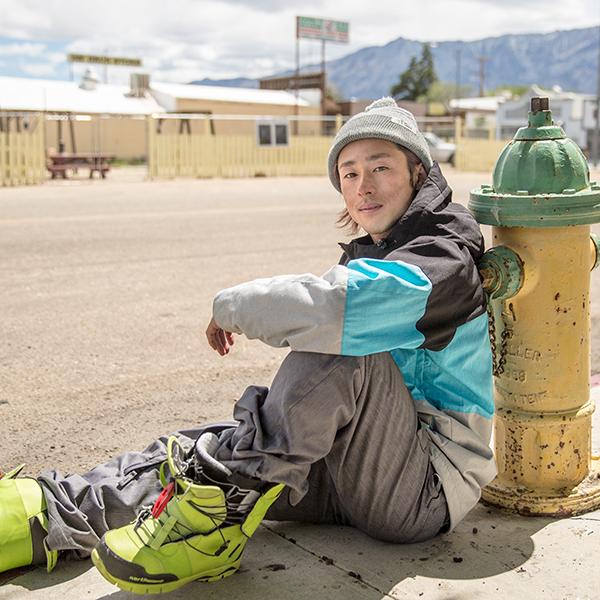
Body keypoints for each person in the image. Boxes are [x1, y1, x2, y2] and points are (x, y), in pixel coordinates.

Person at [0, 97, 496, 594]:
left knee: (347, 346)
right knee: (200, 458)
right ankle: (38, 514)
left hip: (423, 490)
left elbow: (340, 310)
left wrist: (231, 305)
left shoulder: (442, 256)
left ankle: (212, 531)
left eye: (380, 167)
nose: (362, 186)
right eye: (348, 174)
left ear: (418, 172)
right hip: (351, 471)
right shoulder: (383, 249)